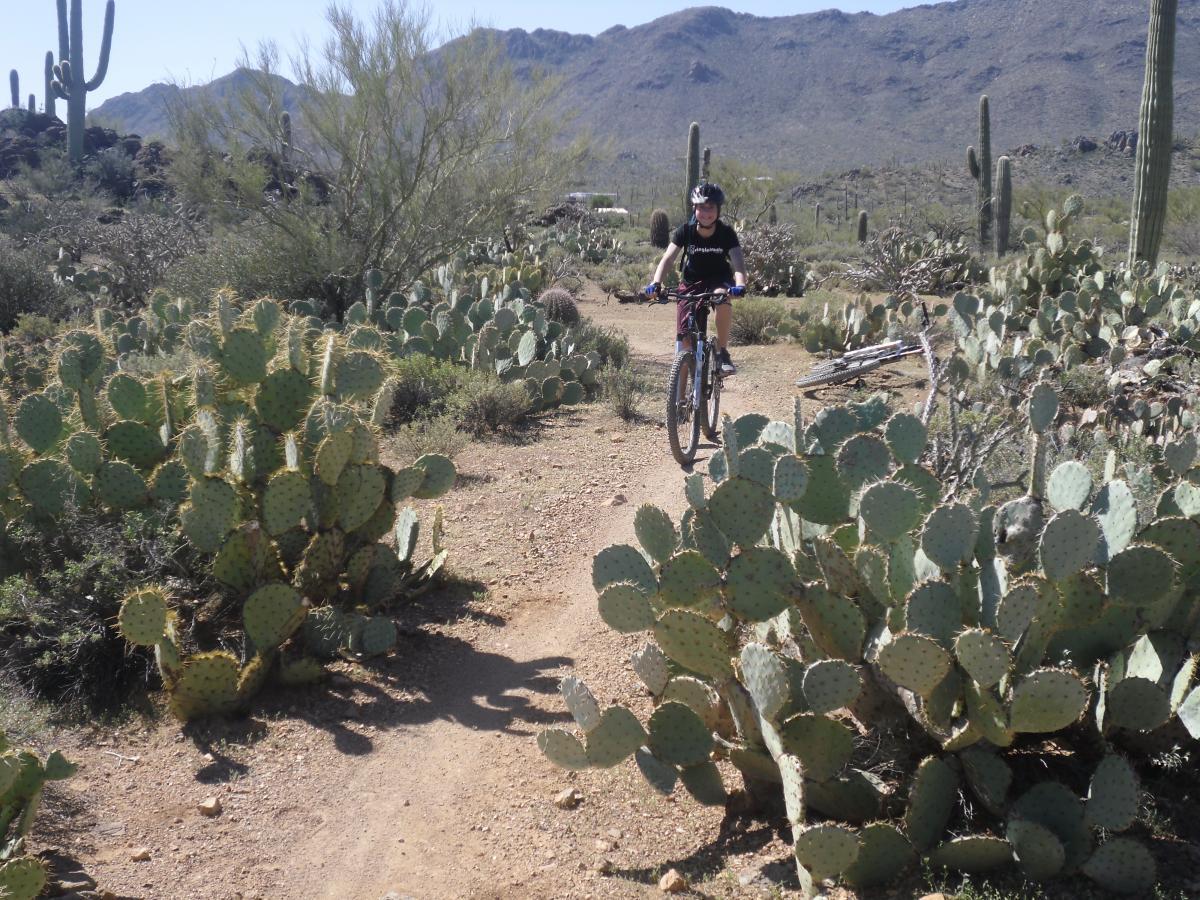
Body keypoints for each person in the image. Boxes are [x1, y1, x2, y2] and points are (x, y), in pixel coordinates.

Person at [645, 182, 747, 375]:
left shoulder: (726, 234)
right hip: (691, 283)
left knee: (721, 297)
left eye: (711, 208)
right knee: (684, 344)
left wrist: (740, 285)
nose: (706, 213)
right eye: (701, 207)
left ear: (718, 210)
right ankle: (679, 400)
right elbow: (668, 258)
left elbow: (738, 263)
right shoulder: (686, 231)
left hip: (718, 280)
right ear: (694, 208)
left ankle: (722, 352)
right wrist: (656, 283)